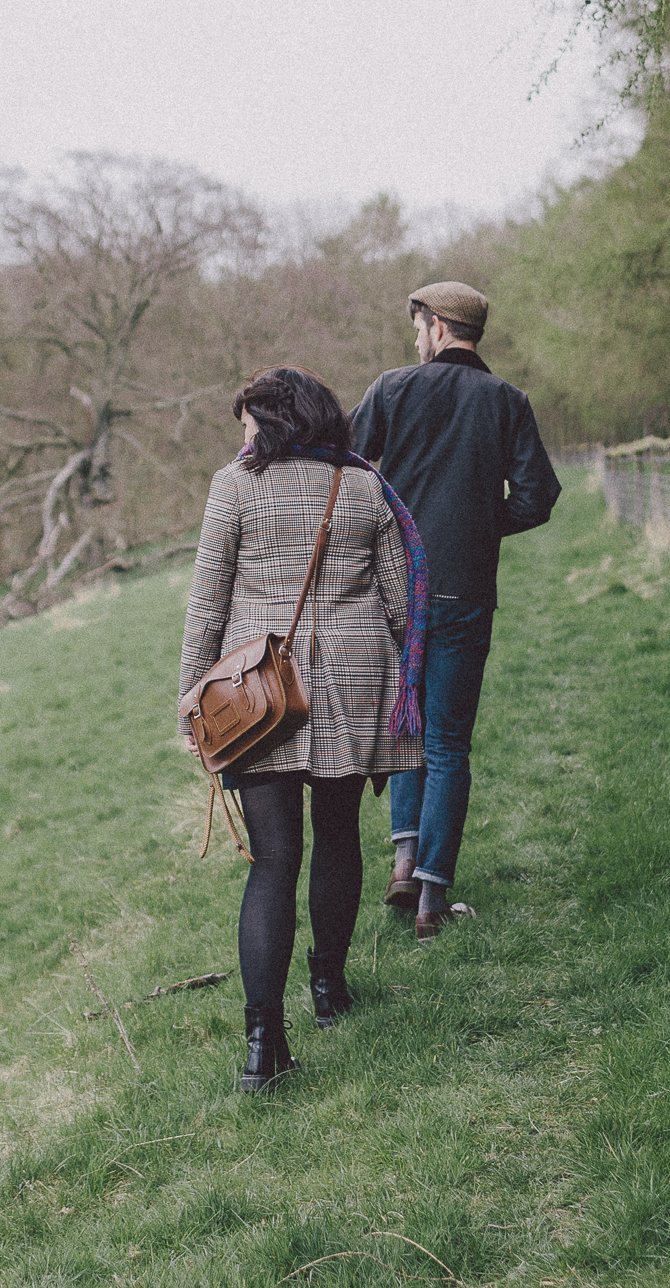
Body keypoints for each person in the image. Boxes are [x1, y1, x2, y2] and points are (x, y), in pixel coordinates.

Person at [179, 365, 427, 1092]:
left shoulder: (235, 486)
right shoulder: (364, 487)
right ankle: (328, 988)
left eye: (249, 423)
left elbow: (207, 600)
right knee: (339, 834)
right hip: (354, 681)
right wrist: (395, 669)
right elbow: (401, 602)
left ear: (274, 422)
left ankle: (264, 1048)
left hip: (258, 691)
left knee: (273, 858)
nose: (243, 437)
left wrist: (192, 697)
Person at [348, 282, 561, 941]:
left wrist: (384, 526)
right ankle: (431, 899)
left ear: (438, 326)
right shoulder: (506, 401)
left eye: (418, 327)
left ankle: (403, 862)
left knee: (405, 729)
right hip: (464, 591)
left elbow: (345, 466)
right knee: (446, 743)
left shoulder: (391, 389)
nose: (415, 339)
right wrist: (478, 526)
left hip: (395, 592)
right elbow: (537, 495)